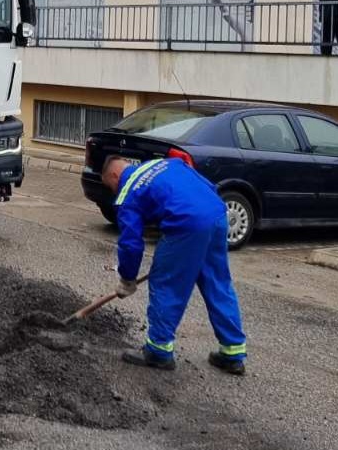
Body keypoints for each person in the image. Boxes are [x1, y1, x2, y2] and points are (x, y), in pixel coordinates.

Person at [101, 155, 247, 375]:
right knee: (217, 282)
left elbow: (131, 244)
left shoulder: (127, 190)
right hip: (216, 213)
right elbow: (205, 184)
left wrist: (127, 279)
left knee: (165, 282)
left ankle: (159, 351)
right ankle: (233, 353)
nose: (113, 190)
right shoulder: (165, 162)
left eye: (109, 186)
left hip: (186, 223)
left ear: (113, 175)